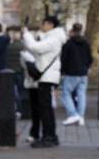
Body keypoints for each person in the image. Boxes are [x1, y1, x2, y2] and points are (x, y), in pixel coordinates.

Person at [21, 16, 67, 148]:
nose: (41, 25)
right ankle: (50, 135)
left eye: (43, 23)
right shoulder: (52, 38)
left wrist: (26, 34)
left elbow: (36, 48)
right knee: (45, 108)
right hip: (46, 76)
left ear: (51, 25)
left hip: (47, 77)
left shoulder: (53, 39)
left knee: (45, 108)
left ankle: (48, 137)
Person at [60, 22, 93, 126]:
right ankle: (80, 116)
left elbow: (63, 59)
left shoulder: (68, 44)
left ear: (72, 31)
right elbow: (89, 58)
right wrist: (86, 67)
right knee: (81, 94)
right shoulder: (86, 43)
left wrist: (62, 71)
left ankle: (72, 114)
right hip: (83, 72)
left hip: (71, 72)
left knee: (66, 94)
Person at [20, 45, 41, 143]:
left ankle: (35, 133)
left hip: (33, 83)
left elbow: (26, 68)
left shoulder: (25, 55)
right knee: (40, 110)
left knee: (35, 110)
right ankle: (38, 133)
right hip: (40, 83)